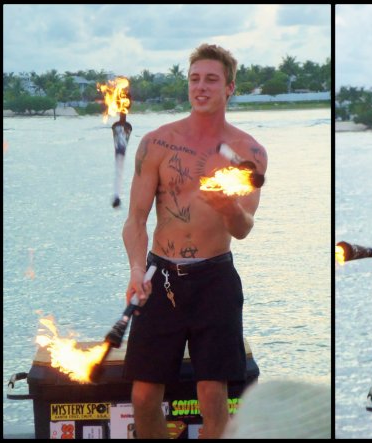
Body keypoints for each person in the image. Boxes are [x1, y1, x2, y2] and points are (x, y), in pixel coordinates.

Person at [121, 43, 268, 439]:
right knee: (144, 396)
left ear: (230, 87)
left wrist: (226, 207)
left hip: (214, 279)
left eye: (211, 80)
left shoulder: (248, 152)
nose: (201, 87)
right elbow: (134, 220)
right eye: (194, 79)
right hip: (159, 277)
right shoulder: (157, 143)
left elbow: (243, 227)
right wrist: (137, 269)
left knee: (213, 396)